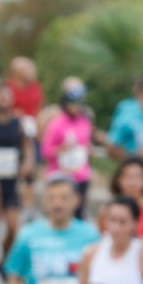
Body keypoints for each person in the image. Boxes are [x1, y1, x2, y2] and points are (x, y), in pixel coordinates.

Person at [0, 87, 35, 284]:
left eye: (7, 96)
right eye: (0, 95)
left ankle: (3, 261)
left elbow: (27, 146)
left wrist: (28, 162)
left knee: (13, 227)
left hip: (11, 181)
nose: (4, 99)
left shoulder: (18, 123)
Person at [40, 77, 102, 212]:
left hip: (81, 175)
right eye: (72, 102)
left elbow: (87, 143)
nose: (76, 106)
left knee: (79, 212)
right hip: (60, 176)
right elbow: (45, 151)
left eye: (78, 102)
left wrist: (89, 151)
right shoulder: (56, 123)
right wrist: (60, 150)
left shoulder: (85, 120)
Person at [7, 56, 45, 124]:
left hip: (34, 122)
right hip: (15, 123)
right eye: (28, 69)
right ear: (17, 72)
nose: (33, 71)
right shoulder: (8, 87)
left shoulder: (35, 86)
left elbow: (40, 106)